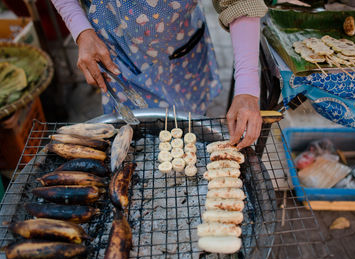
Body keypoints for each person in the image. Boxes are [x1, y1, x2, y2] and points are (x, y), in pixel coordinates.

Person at [51, 0, 267, 149]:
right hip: (118, 54)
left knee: (188, 123)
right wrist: (81, 31)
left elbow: (239, 3)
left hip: (181, 52)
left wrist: (247, 88)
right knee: (133, 132)